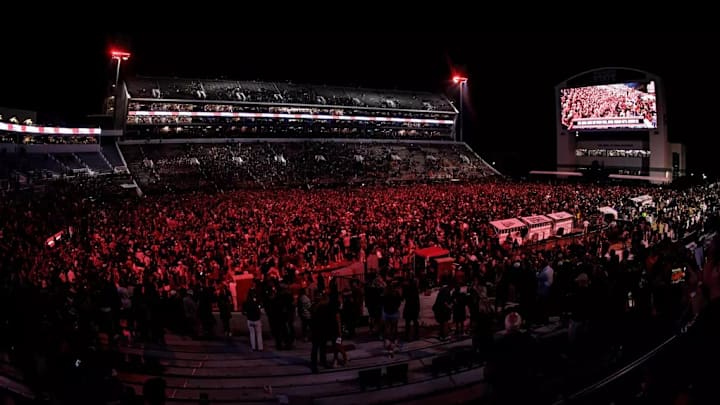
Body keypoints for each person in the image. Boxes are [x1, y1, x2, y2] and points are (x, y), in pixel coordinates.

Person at [485, 312, 538, 405]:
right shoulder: (529, 341)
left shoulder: (497, 345)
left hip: (504, 389)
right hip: (524, 387)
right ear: (519, 325)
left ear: (506, 326)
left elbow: (489, 373)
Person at [402, 274, 421, 341]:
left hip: (409, 306)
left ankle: (407, 336)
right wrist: (418, 308)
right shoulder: (415, 288)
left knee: (408, 322)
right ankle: (416, 335)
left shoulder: (406, 288)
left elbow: (403, 297)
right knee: (415, 321)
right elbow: (417, 299)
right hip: (414, 306)